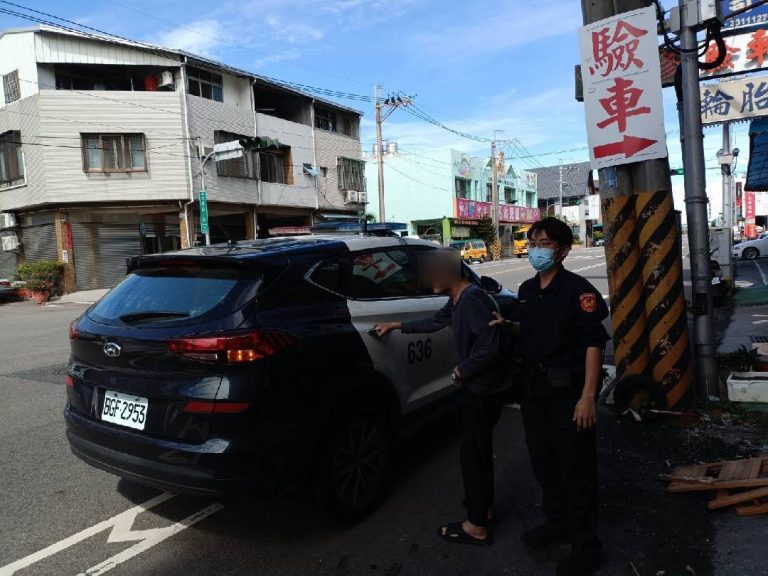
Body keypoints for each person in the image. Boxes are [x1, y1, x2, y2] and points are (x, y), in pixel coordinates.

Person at [492, 217, 609, 576]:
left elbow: (594, 342)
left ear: (562, 250)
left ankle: (586, 546)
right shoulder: (527, 289)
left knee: (575, 468)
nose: (536, 248)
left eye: (544, 243)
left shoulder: (579, 291)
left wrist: (588, 396)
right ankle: (556, 522)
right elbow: (532, 327)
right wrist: (509, 326)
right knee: (543, 461)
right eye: (533, 241)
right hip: (533, 391)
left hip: (568, 393)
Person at [375, 248, 505, 546]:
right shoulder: (457, 298)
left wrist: (462, 369)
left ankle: (476, 526)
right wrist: (397, 325)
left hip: (483, 389)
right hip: (481, 387)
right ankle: (482, 508)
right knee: (479, 451)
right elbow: (434, 322)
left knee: (472, 455)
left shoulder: (471, 299)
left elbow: (489, 345)